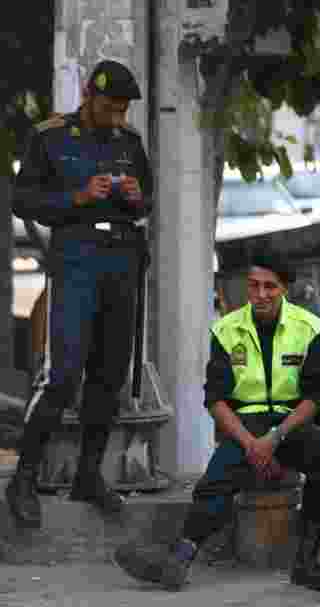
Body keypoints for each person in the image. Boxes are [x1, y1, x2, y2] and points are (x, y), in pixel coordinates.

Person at [113, 253, 320, 592]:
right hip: (246, 426)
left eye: (270, 286)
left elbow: (314, 398)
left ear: (285, 288)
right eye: (254, 286)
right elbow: (215, 399)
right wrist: (251, 443)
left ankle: (306, 562)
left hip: (290, 424)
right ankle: (178, 560)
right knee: (215, 481)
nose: (261, 294)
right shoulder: (227, 330)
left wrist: (274, 438)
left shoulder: (311, 329)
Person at [7, 60, 153, 527]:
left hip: (123, 258)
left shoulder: (130, 142)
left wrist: (136, 198)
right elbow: (23, 200)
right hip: (77, 257)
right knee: (63, 374)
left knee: (109, 376)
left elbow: (148, 200)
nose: (118, 115)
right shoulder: (50, 136)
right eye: (110, 106)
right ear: (89, 96)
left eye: (124, 108)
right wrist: (77, 197)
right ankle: (24, 477)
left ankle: (88, 475)